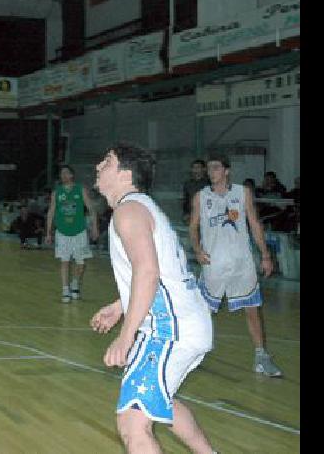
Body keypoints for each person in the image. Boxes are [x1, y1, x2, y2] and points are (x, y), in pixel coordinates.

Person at [91, 143, 215, 454]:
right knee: (161, 400)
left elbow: (148, 272)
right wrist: (121, 306)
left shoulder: (128, 211)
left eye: (107, 161)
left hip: (169, 329)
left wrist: (126, 336)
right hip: (182, 322)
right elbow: (160, 270)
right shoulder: (140, 206)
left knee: (133, 422)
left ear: (125, 174)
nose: (97, 166)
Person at [189, 155, 282, 377]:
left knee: (252, 310)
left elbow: (254, 223)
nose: (211, 172)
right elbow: (193, 226)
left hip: (242, 262)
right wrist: (197, 249)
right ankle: (191, 350)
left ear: (227, 171)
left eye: (215, 167)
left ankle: (261, 357)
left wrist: (266, 255)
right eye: (209, 168)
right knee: (204, 311)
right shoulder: (201, 197)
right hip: (214, 263)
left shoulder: (243, 192)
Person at [45, 165, 99, 303]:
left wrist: (95, 228)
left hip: (79, 231)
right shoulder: (56, 193)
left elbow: (91, 209)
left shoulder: (80, 190)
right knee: (64, 261)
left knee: (81, 263)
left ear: (71, 175)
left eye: (66, 173)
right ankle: (65, 290)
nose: (63, 176)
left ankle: (75, 284)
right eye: (61, 173)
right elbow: (51, 211)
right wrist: (48, 232)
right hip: (62, 232)